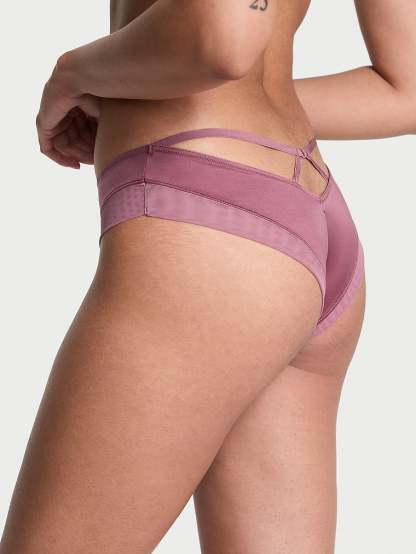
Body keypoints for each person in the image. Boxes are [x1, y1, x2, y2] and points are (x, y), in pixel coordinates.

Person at [1, 1, 415, 553]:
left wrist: (73, 74)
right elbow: (405, 88)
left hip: (204, 222)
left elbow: (224, 36)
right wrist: (249, 101)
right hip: (301, 216)